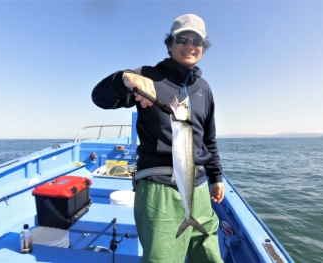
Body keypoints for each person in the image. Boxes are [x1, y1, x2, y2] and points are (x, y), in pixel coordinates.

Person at [92, 14, 225, 263]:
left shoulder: (204, 88)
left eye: (196, 41)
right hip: (158, 189)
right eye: (182, 39)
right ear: (170, 44)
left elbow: (209, 139)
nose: (189, 45)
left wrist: (216, 177)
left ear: (203, 47)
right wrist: (125, 79)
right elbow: (100, 98)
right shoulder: (147, 76)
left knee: (209, 256)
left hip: (199, 188)